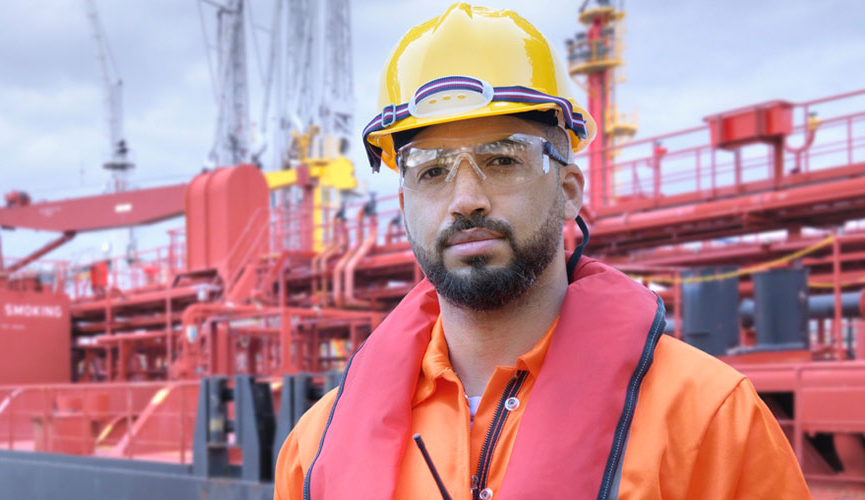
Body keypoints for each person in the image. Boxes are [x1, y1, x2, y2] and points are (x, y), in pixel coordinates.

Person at [273, 4, 809, 499]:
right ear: (403, 200)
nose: (466, 200)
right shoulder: (313, 451)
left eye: (504, 160)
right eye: (431, 171)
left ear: (570, 188)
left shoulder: (710, 422)